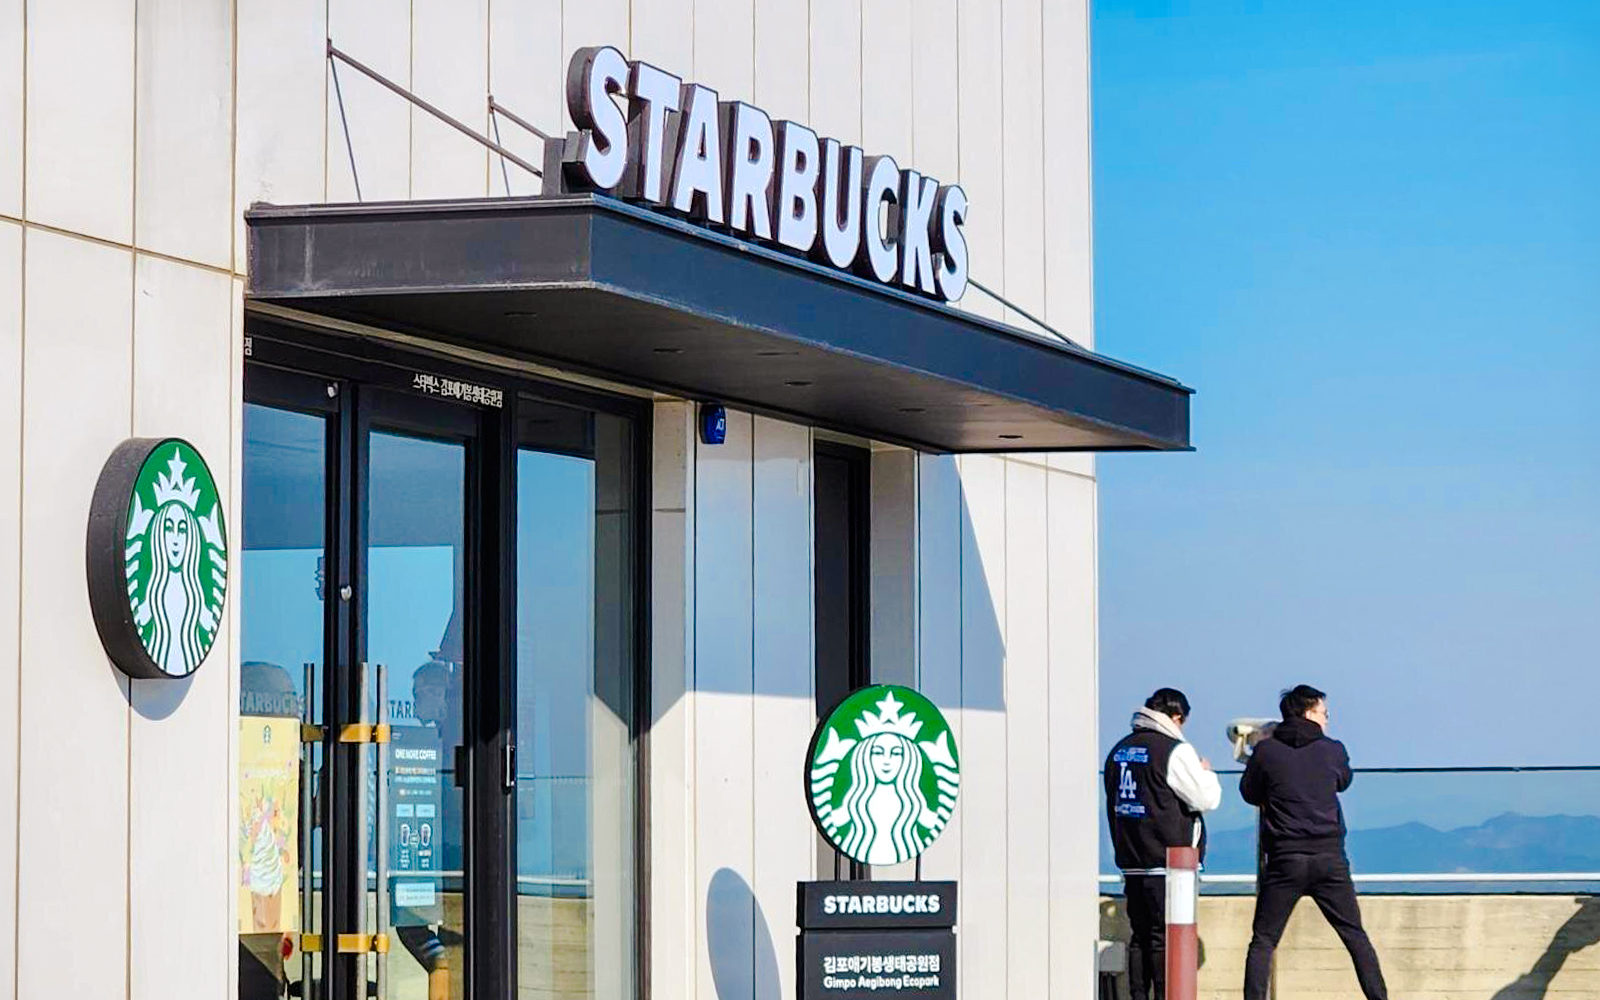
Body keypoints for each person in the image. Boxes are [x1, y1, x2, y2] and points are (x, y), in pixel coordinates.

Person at [1241, 685, 1388, 1000]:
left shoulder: (1266, 752)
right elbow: (1343, 781)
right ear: (1309, 712)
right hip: (1329, 858)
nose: (1327, 720)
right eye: (1324, 713)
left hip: (1285, 858)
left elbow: (1249, 793)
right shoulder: (1332, 749)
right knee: (1355, 936)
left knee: (1264, 941)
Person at [1105, 688, 1223, 1000]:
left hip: (1131, 858)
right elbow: (1206, 798)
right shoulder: (1173, 751)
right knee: (1162, 937)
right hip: (1168, 861)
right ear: (1176, 717)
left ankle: (1138, 995)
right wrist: (1206, 773)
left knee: (1140, 937)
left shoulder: (1119, 751)